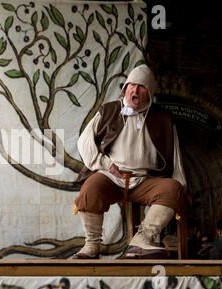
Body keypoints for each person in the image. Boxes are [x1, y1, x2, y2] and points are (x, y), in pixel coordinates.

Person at [73, 64, 187, 259]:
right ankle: (92, 245)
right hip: (111, 177)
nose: (134, 90)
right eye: (131, 85)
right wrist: (106, 164)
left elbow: (175, 156)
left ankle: (142, 240)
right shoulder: (108, 111)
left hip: (146, 180)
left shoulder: (163, 119)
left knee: (173, 189)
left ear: (149, 93)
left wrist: (181, 187)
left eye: (141, 86)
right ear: (125, 88)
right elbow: (84, 142)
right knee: (91, 188)